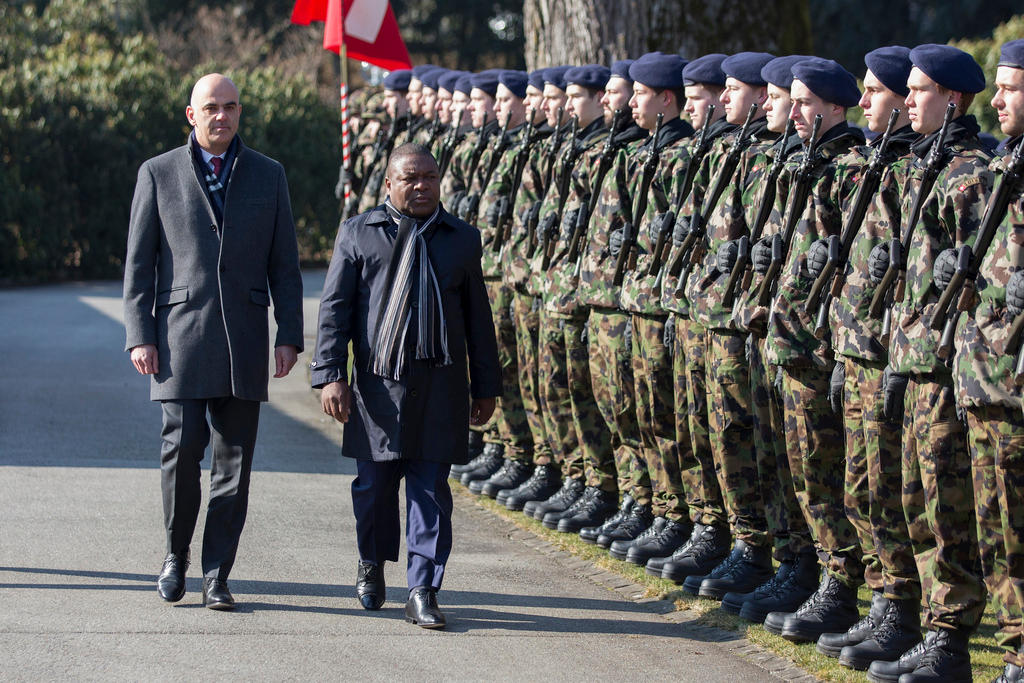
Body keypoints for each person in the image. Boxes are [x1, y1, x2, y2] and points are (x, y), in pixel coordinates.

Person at [123, 73, 303, 611]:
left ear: (239, 112)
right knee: (181, 453)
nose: (221, 116)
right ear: (191, 114)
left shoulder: (268, 176)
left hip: (243, 340)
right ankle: (175, 555)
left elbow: (285, 266)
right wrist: (140, 335)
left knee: (235, 463)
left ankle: (217, 573)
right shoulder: (158, 173)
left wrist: (289, 334)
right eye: (211, 108)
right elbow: (139, 266)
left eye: (230, 107)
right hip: (179, 339)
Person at [312, 143, 500, 629]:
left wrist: (486, 386)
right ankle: (371, 563)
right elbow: (335, 311)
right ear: (389, 184)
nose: (421, 187)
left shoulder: (462, 238)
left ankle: (423, 589)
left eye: (430, 178)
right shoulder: (360, 233)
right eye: (411, 178)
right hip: (378, 388)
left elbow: (478, 319)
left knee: (431, 490)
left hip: (441, 387)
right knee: (373, 488)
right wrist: (331, 374)